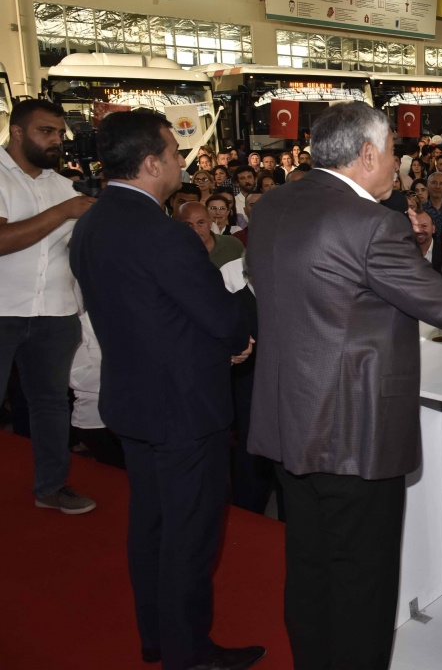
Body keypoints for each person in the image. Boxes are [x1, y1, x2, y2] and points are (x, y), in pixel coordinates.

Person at [244, 103, 442, 670]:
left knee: (309, 566)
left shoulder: (275, 204)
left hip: (288, 421)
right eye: (393, 153)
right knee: (364, 580)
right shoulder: (373, 223)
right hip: (354, 433)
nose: (397, 166)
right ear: (367, 154)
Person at [71, 110, 263, 670]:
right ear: (152, 164)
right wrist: (235, 340)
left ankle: (156, 635)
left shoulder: (91, 224)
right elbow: (219, 314)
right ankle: (188, 653)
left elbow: (149, 315)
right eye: (176, 153)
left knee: (151, 525)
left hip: (132, 401)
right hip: (185, 410)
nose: (182, 161)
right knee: (190, 535)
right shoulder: (165, 235)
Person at [0, 99, 96, 515]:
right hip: (2, 309)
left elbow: (81, 251)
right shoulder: (58, 198)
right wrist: (64, 213)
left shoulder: (64, 186)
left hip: (56, 312)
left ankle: (52, 486)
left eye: (59, 133)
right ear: (17, 132)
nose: (56, 140)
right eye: (46, 131)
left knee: (52, 403)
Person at [176, 201, 246, 269]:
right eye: (188, 224)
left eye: (200, 223)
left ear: (210, 223)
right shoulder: (173, 251)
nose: (195, 230)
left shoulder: (233, 245)